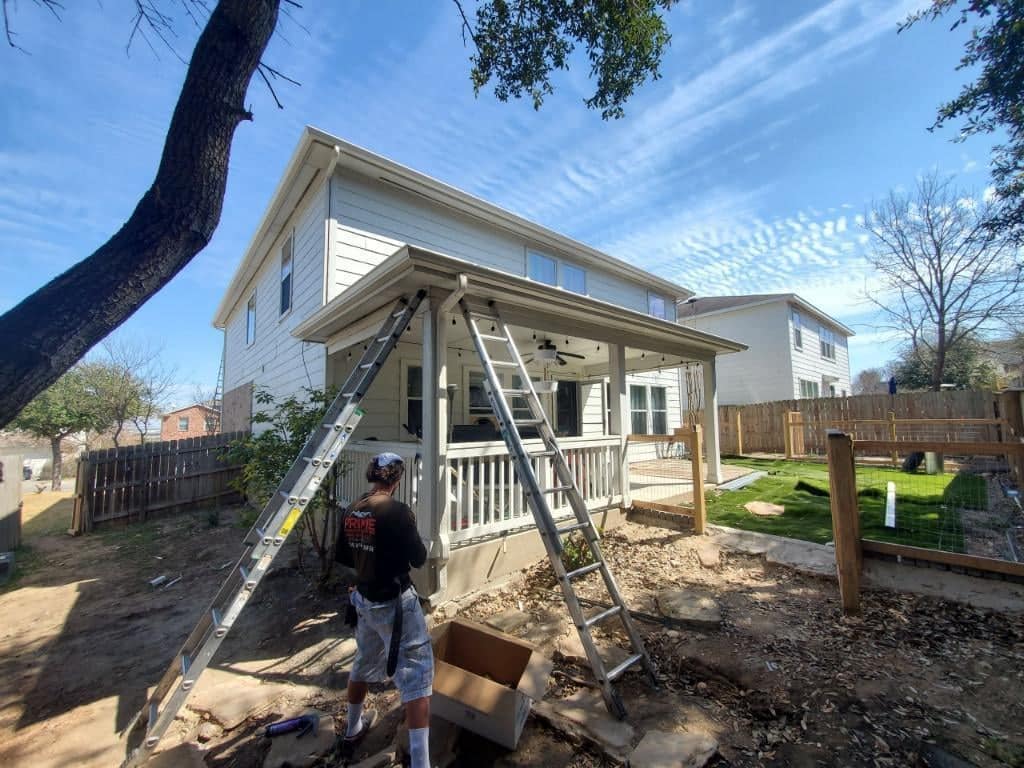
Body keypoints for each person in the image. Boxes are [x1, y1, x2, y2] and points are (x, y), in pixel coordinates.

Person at [335, 452, 432, 767]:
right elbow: (418, 559)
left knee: (362, 663)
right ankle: (421, 762)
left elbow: (348, 559)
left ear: (371, 475)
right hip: (394, 600)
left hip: (363, 599)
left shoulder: (352, 509)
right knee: (417, 676)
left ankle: (353, 728)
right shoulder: (397, 512)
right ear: (397, 479)